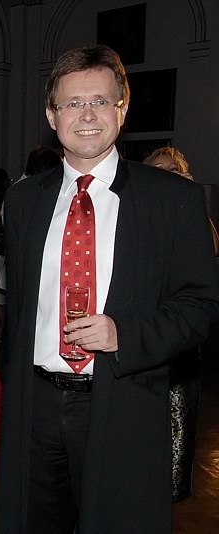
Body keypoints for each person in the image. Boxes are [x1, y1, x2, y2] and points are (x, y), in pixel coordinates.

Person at [0, 45, 219, 534]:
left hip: (123, 399)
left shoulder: (174, 200)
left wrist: (125, 334)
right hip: (34, 405)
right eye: (73, 103)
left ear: (123, 107)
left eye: (100, 101)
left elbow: (201, 305)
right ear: (52, 115)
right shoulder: (24, 200)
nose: (87, 115)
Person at [143, 146, 217, 502]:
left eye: (172, 169)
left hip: (181, 342)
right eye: (157, 169)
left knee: (178, 428)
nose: (165, 174)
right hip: (141, 335)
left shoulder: (189, 209)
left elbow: (211, 249)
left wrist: (192, 202)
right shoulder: (137, 210)